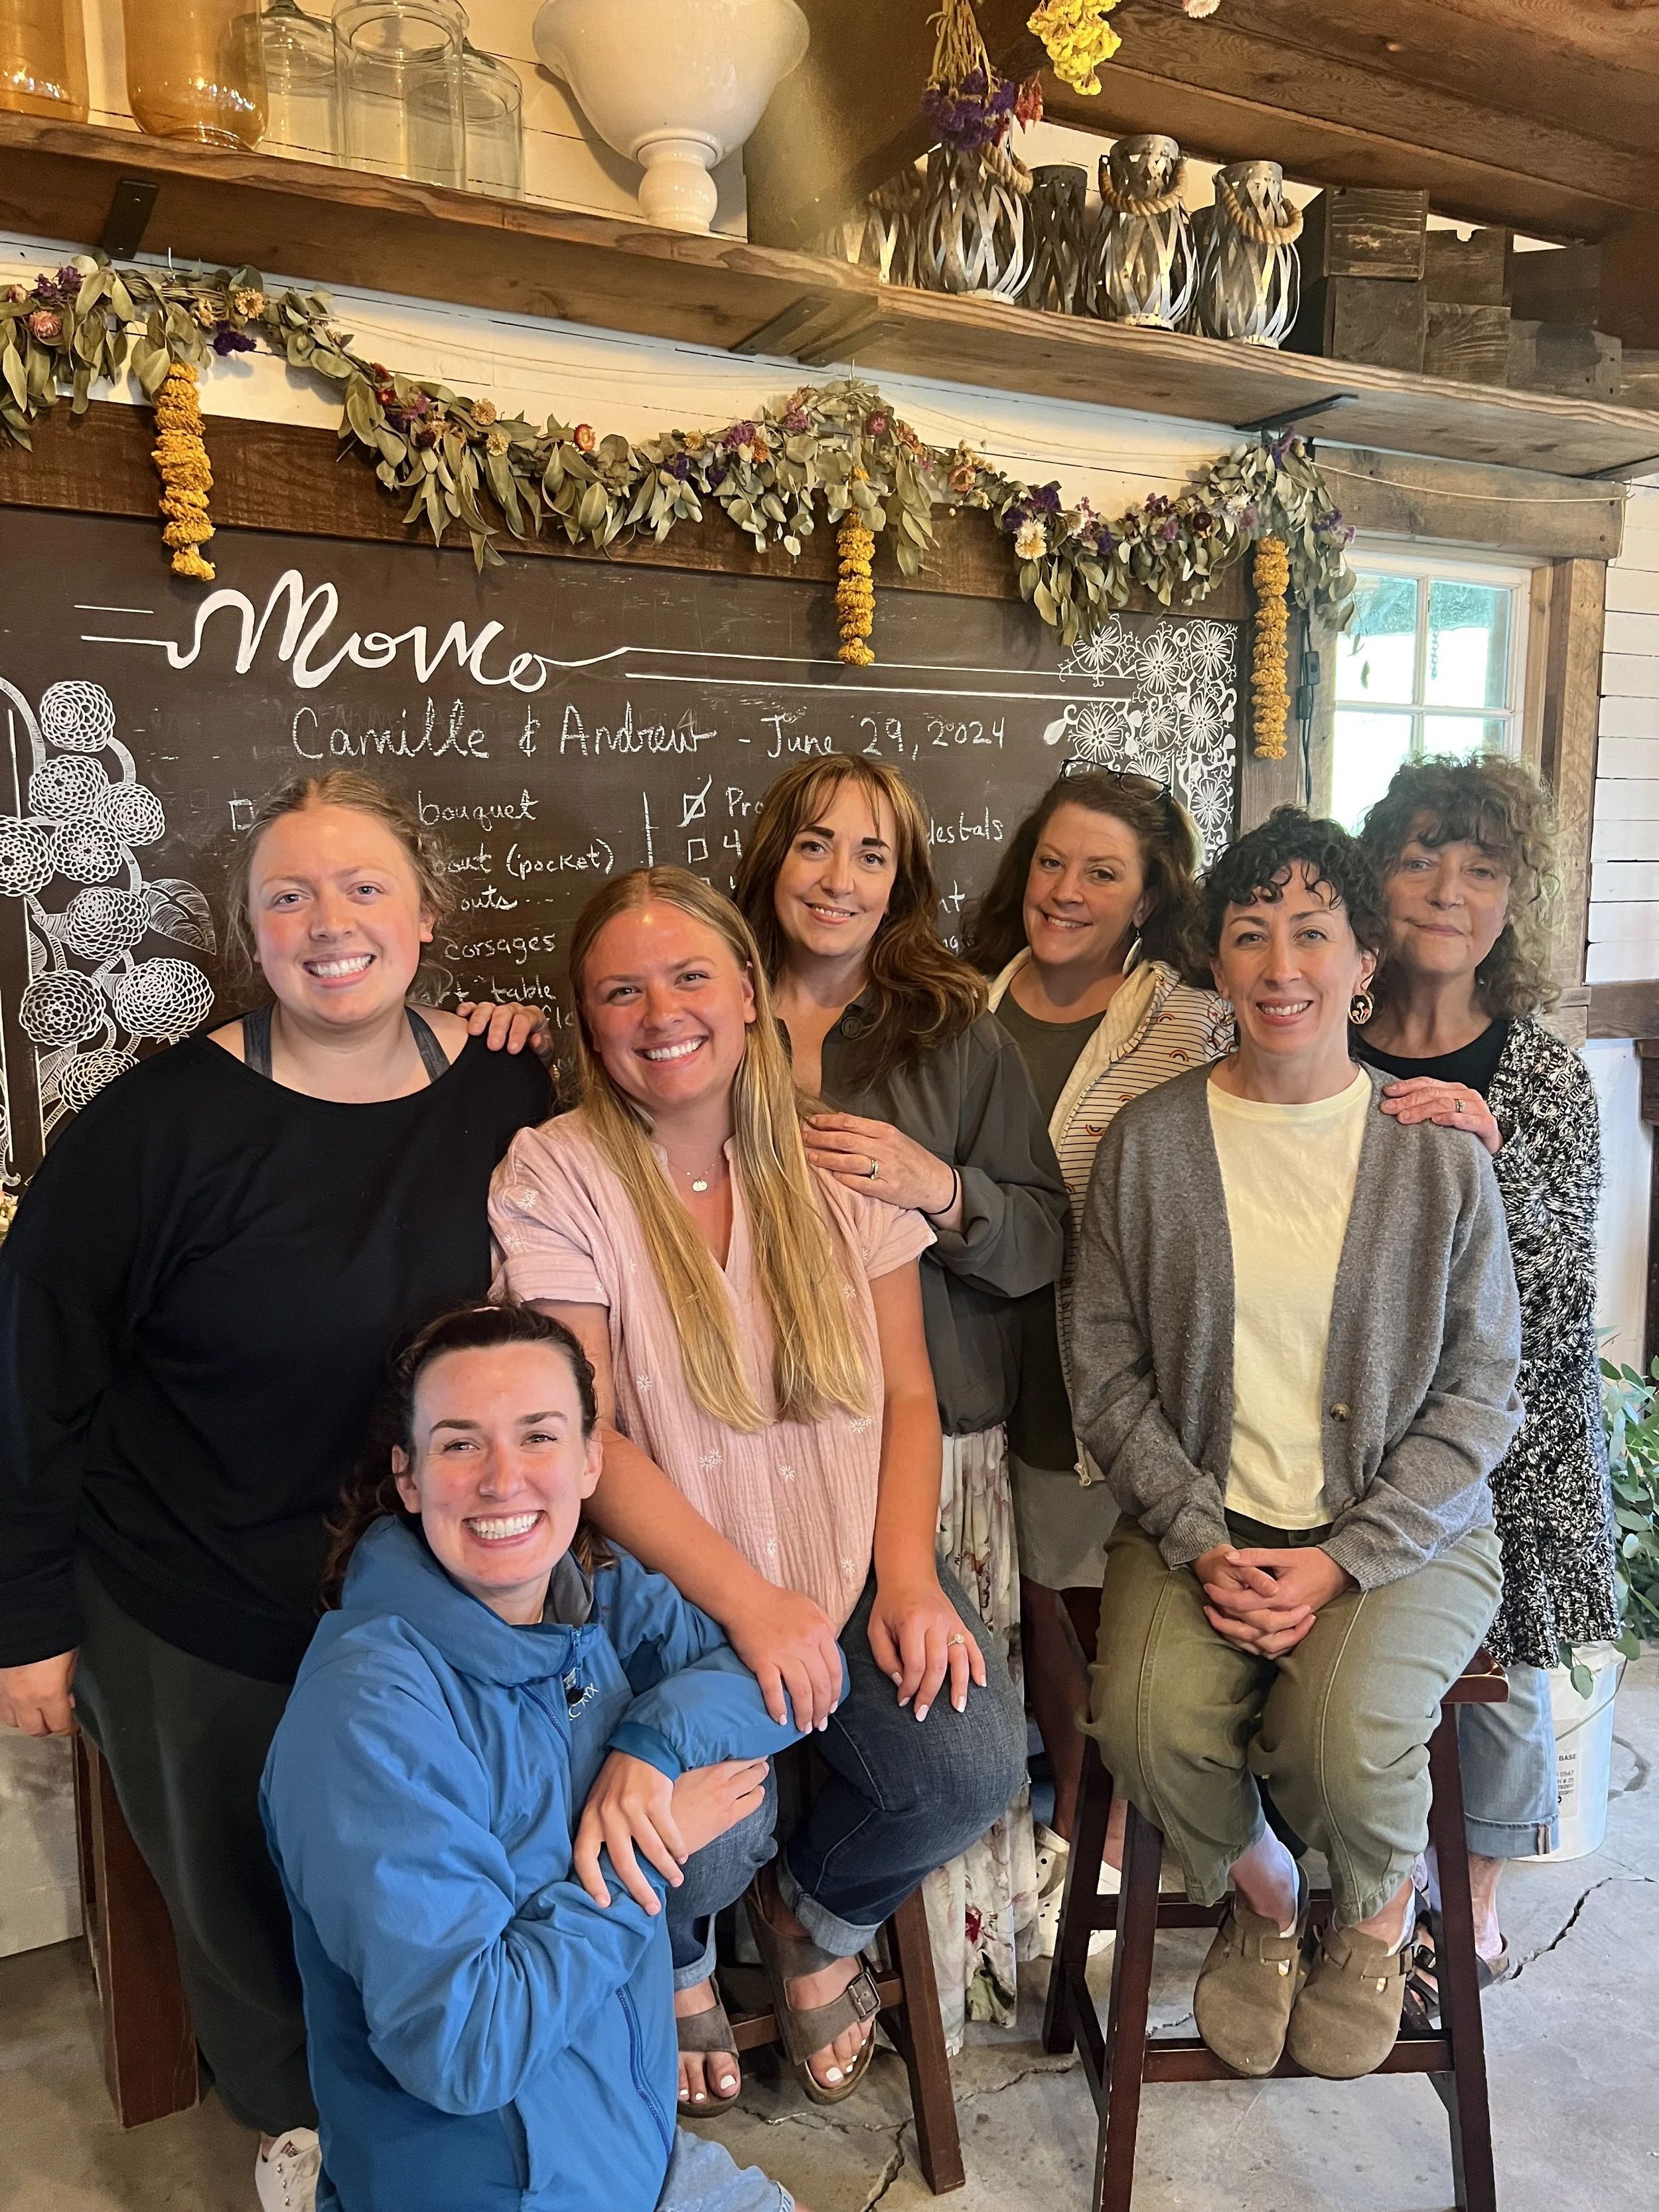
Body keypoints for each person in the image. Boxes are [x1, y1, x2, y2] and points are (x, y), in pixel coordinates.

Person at [0, 771, 551, 2212]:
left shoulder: (508, 1086)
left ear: (426, 920)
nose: (329, 922)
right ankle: (291, 2110)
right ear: (250, 932)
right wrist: (23, 1619)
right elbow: (29, 1375)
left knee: (431, 1861)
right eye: (289, 896)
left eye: (364, 887)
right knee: (240, 1881)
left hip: (422, 1584)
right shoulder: (150, 1131)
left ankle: (450, 2082)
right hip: (190, 1589)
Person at [488, 869, 1027, 2111]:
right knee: (704, 1829)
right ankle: (675, 1962)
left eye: (688, 977)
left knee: (967, 1765)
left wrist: (905, 1576)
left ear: (745, 992)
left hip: (849, 1550)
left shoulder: (837, 1158)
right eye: (620, 990)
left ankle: (812, 1918)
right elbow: (592, 1434)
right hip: (676, 1588)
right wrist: (751, 1603)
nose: (659, 1012)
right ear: (585, 1018)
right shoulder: (554, 1173)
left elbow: (904, 1392)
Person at [1070, 808, 1522, 2081]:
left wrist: (1343, 1560)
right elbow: (1103, 1366)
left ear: (1364, 960)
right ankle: (1266, 1898)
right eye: (1251, 934)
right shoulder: (1150, 1144)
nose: (1282, 967)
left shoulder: (1434, 1153)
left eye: (1314, 934)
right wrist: (1204, 1540)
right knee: (1144, 1719)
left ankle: (1377, 1911)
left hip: (1405, 1533)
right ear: (1215, 960)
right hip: (1203, 1519)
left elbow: (1485, 1392)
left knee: (1334, 1735)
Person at [261, 1301, 810, 2212]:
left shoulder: (589, 1603)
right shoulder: (365, 1714)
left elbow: (792, 1680)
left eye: (539, 1436)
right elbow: (464, 2050)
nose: (504, 1480)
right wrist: (649, 1844)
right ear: (408, 1475)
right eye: (461, 1444)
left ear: (594, 1460)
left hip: (633, 2155)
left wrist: (653, 1743)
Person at [731, 756, 1067, 2037]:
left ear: (903, 886)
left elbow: (1041, 1240)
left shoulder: (951, 1035)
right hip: (729, 1441)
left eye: (872, 856)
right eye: (816, 844)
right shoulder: (696, 1002)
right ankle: (691, 1970)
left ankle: (832, 1930)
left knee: (937, 1735)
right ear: (773, 858)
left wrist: (941, 1188)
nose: (839, 877)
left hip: (919, 1441)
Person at [1354, 755, 1619, 1988]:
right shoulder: (1323, 1038)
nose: (1447, 890)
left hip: (1512, 1437)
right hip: (1347, 1422)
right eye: (1419, 858)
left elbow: (1563, 1287)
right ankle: (1371, 1890)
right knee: (1364, 1664)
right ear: (1378, 878)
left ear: (1517, 899)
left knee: (1500, 1677)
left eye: (1482, 868)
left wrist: (1489, 1161)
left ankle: (1471, 1904)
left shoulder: (1543, 1074)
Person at [964, 769, 1227, 1935]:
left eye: (1102, 874)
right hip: (986, 1348)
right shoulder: (962, 1002)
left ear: (1147, 898)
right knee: (1033, 1594)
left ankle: (1148, 1822)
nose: (1065, 892)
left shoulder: (1191, 1018)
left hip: (1126, 1364)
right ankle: (1078, 1817)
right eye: (1052, 863)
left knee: (1116, 1596)